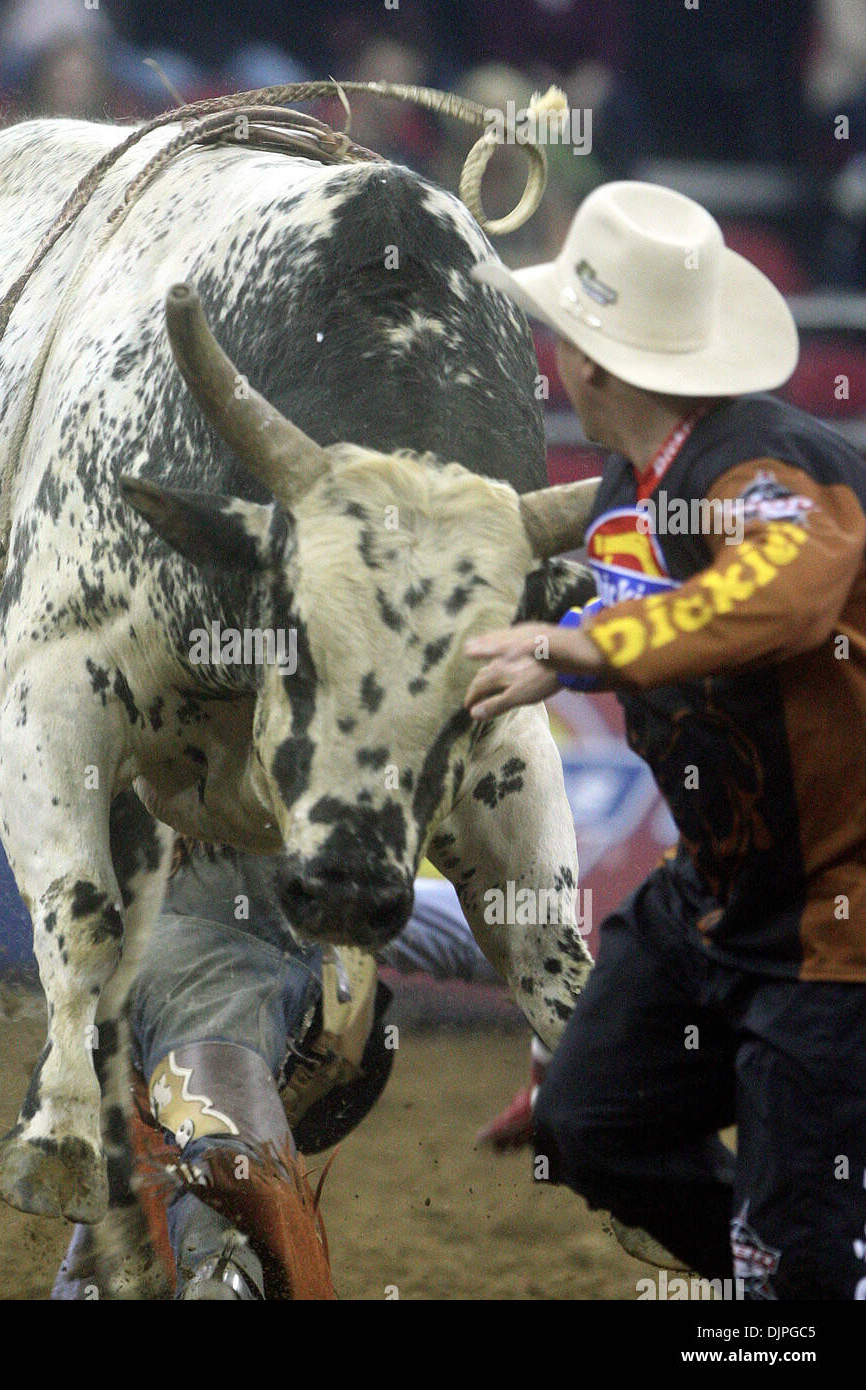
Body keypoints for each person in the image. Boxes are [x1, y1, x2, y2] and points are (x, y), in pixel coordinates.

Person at [463, 180, 866, 1298]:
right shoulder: (627, 492)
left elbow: (784, 596)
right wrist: (570, 642)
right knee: (585, 1127)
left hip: (838, 920)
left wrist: (589, 648)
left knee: (796, 1262)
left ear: (586, 362)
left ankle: (804, 1276)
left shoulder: (765, 465)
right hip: (716, 900)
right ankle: (799, 1272)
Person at [52, 839, 493, 1300]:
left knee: (164, 1180)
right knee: (232, 1201)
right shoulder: (316, 912)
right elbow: (505, 936)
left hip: (129, 975)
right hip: (201, 1002)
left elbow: (494, 936)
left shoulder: (331, 900)